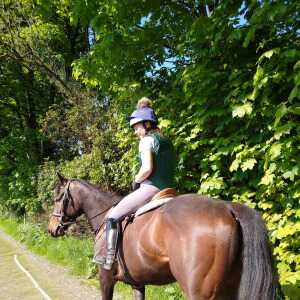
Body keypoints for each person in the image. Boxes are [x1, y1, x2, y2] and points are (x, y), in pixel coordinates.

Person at [93, 97, 176, 270]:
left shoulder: (146, 141)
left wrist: (136, 180)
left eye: (136, 127)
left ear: (146, 124)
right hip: (170, 189)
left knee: (113, 216)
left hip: (151, 188)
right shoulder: (166, 141)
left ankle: (109, 259)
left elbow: (146, 169)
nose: (135, 132)